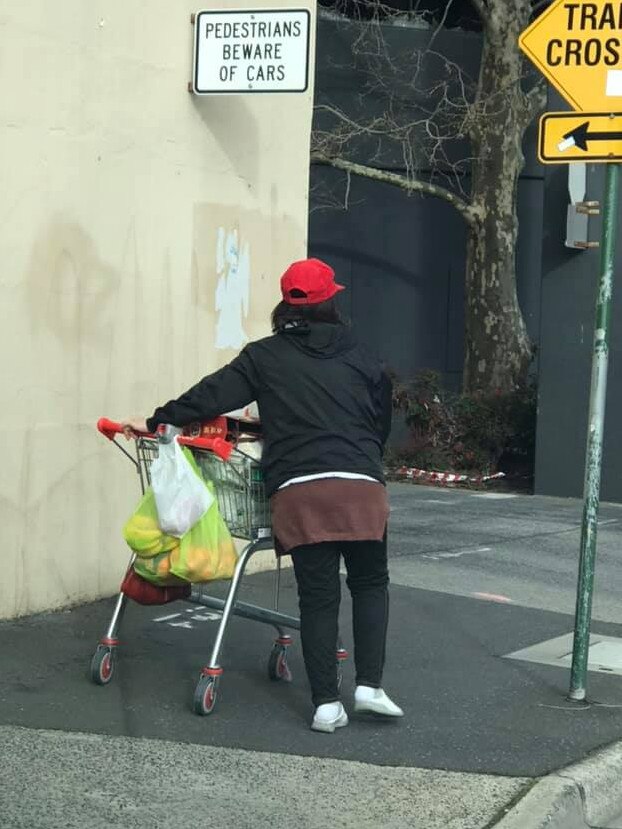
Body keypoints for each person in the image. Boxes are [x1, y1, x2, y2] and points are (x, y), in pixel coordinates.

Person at [121, 257, 403, 733]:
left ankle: (325, 707)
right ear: (331, 301)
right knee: (370, 584)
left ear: (285, 302)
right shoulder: (362, 353)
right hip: (360, 487)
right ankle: (370, 687)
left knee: (318, 597)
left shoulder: (264, 356)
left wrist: (157, 420)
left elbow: (210, 395)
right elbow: (380, 421)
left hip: (300, 490)